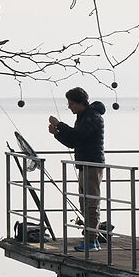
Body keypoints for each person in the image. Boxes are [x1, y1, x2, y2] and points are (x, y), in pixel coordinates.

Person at [46, 86, 106, 250]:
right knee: (84, 201)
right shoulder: (82, 117)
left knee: (91, 202)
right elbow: (73, 142)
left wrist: (60, 125)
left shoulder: (92, 116)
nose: (69, 106)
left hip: (92, 164)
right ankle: (90, 237)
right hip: (84, 164)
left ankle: (92, 240)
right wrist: (57, 133)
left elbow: (78, 135)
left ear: (81, 103)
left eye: (71, 103)